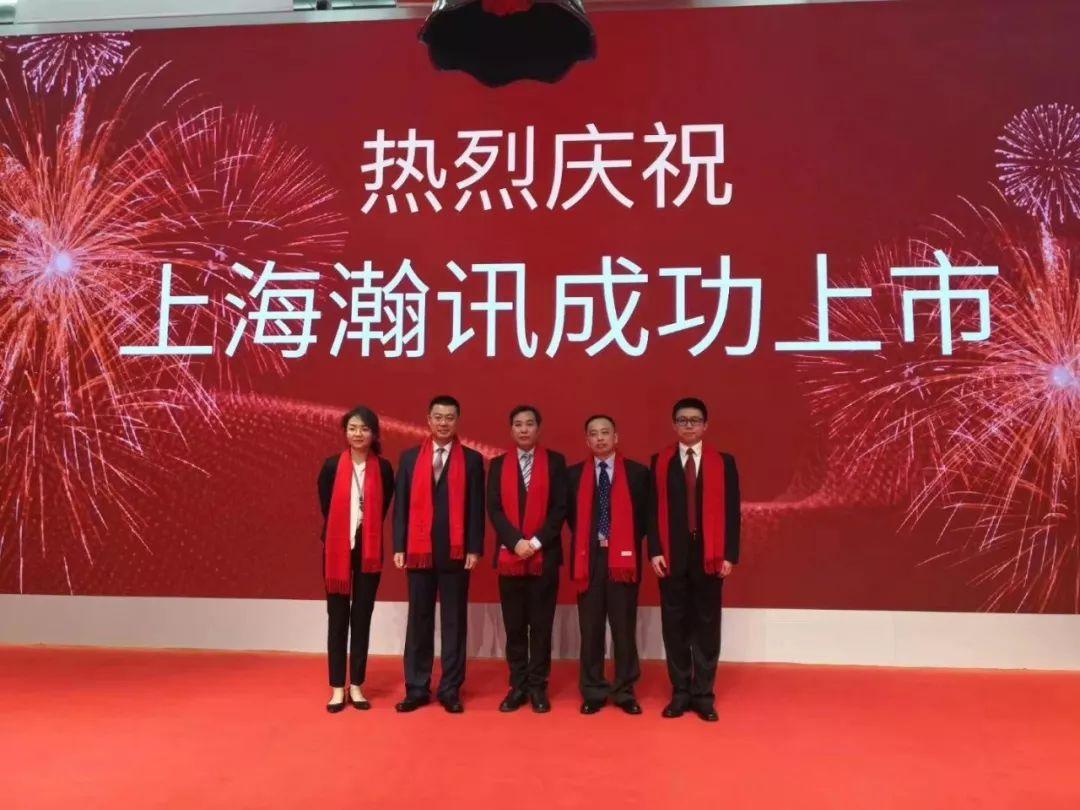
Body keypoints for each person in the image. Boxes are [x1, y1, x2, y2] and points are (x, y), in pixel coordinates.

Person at [648, 397, 741, 722]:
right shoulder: (660, 462)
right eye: (682, 420)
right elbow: (652, 511)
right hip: (672, 556)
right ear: (674, 425)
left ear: (705, 425)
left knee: (706, 625)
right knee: (674, 625)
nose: (689, 425)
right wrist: (655, 550)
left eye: (695, 420)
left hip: (710, 556)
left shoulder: (724, 463)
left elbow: (732, 511)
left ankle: (703, 694)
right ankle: (680, 692)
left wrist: (729, 554)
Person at [393, 395, 485, 713]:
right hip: (419, 553)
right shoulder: (409, 459)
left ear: (457, 421)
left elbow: (476, 508)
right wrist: (399, 546)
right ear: (428, 420)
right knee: (418, 621)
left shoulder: (472, 460)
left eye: (449, 417)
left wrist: (474, 547)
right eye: (438, 417)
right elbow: (401, 505)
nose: (443, 423)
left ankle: (450, 689)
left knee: (453, 622)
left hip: (456, 553)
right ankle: (416, 688)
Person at [565, 414, 650, 715]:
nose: (600, 438)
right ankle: (593, 689)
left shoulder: (638, 474)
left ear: (616, 437)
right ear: (587, 440)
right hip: (588, 560)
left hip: (623, 560)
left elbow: (645, 519)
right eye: (593, 433)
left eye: (605, 433)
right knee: (591, 628)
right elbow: (571, 519)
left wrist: (621, 544)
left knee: (623, 627)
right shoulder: (573, 475)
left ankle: (625, 690)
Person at [486, 405, 568, 714]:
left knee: (541, 626)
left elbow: (560, 508)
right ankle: (517, 685)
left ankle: (538, 686)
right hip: (510, 556)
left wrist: (534, 542)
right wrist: (515, 542)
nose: (524, 429)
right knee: (515, 626)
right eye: (518, 424)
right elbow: (494, 509)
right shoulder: (497, 465)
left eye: (529, 424)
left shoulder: (555, 462)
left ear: (538, 428)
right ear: (511, 430)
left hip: (544, 557)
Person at [317, 405, 395, 713]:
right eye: (352, 428)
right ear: (345, 432)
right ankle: (338, 687)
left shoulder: (384, 468)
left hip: (368, 551)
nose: (358, 433)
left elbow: (383, 507)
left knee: (362, 617)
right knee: (337, 618)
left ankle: (357, 685)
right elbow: (326, 506)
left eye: (364, 428)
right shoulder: (331, 466)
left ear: (374, 433)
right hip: (336, 551)